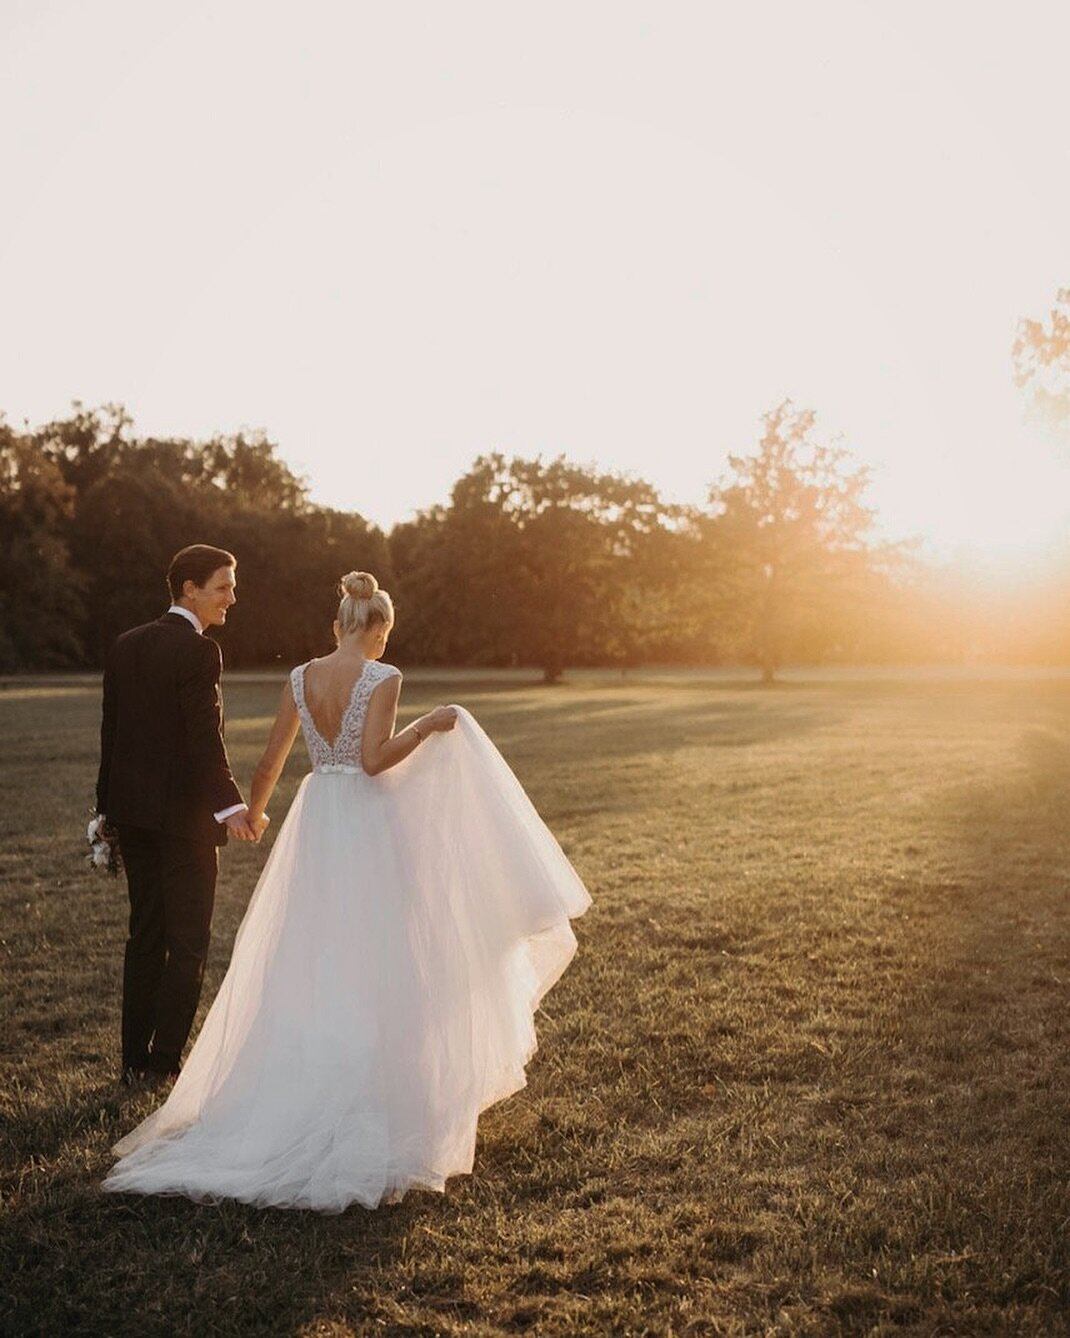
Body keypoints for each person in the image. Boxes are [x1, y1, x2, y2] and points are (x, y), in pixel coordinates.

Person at [103, 571, 591, 1211]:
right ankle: (384, 1089)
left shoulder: (300, 677)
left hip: (316, 817)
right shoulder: (382, 678)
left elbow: (273, 758)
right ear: (379, 630)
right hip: (365, 819)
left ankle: (302, 1078)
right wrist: (429, 727)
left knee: (313, 950)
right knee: (383, 949)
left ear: (337, 626)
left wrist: (253, 812)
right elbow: (373, 759)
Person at [96, 545, 260, 1088]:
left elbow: (111, 736)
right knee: (187, 944)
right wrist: (232, 805)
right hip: (185, 824)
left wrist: (105, 811)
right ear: (189, 588)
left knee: (144, 936)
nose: (231, 597)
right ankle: (163, 1065)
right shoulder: (198, 651)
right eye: (223, 587)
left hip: (133, 816)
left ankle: (131, 1063)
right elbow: (202, 737)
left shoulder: (125, 645)